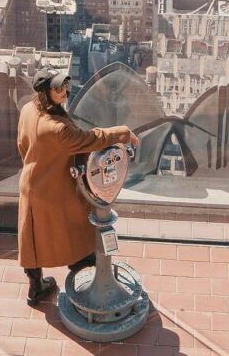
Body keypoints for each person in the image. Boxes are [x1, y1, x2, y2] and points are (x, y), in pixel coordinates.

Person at [17, 65, 140, 306]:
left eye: (65, 86)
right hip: (54, 188)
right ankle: (80, 259)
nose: (65, 91)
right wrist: (123, 132)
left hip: (31, 182)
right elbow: (90, 139)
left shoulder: (28, 109)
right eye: (58, 89)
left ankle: (36, 287)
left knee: (31, 238)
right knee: (76, 220)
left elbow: (22, 144)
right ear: (45, 93)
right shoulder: (58, 129)